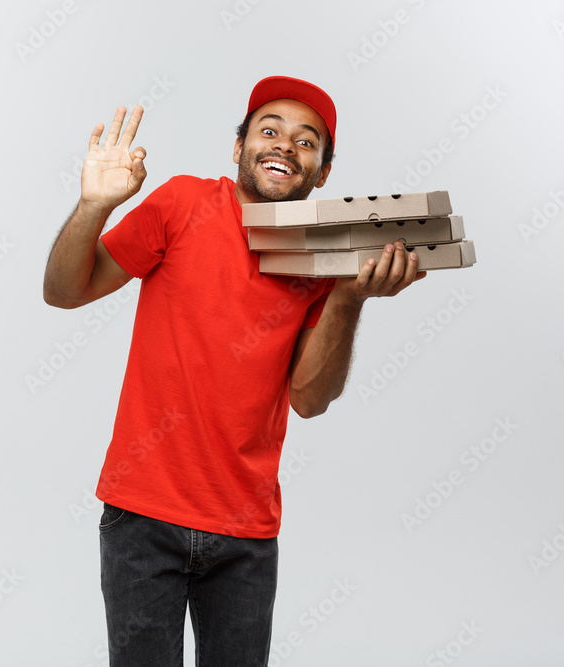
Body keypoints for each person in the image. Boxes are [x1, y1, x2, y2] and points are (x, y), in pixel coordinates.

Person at [43, 76, 425, 666]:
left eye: (306, 142)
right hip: (142, 515)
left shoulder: (323, 256)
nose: (283, 146)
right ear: (240, 146)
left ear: (322, 173)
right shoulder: (182, 203)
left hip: (246, 526)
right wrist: (95, 205)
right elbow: (64, 292)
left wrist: (350, 298)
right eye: (269, 131)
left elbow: (309, 398)